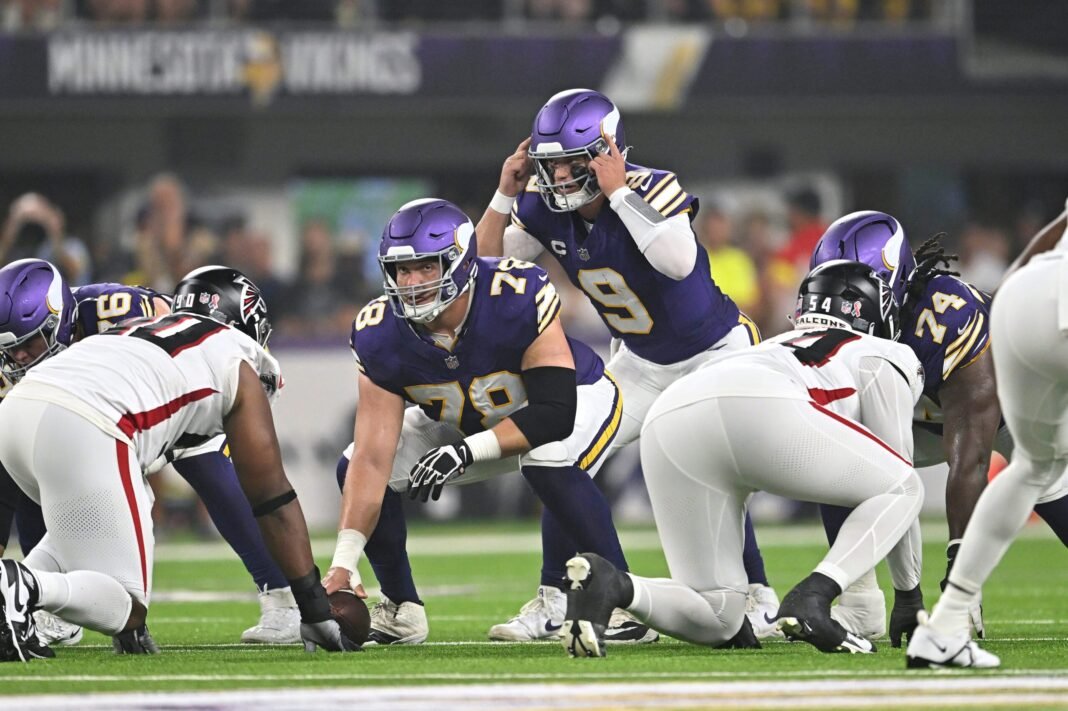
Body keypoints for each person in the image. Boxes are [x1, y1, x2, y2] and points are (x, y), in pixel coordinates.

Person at [476, 88, 779, 639]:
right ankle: (557, 598)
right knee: (556, 451)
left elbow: (677, 261)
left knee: (716, 467)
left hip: (715, 354)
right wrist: (502, 196)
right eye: (550, 164)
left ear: (605, 152)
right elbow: (486, 273)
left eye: (571, 162)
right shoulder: (542, 205)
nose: (558, 176)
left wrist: (618, 194)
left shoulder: (651, 186)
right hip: (639, 363)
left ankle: (757, 592)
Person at [560, 260, 925, 657]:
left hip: (671, 413)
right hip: (762, 404)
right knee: (905, 486)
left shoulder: (776, 343)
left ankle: (615, 585)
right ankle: (814, 596)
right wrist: (909, 595)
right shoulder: (884, 352)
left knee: (720, 615)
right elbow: (897, 471)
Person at [322, 198, 642, 646]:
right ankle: (400, 609)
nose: (411, 283)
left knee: (547, 455)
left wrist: (466, 451)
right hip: (470, 421)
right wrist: (343, 561)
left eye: (426, 267)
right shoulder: (379, 332)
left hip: (576, 398)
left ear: (459, 262)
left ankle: (621, 602)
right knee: (353, 460)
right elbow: (373, 458)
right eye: (401, 270)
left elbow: (554, 413)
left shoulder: (515, 294)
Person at [0, 266, 358, 662]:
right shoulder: (235, 357)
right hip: (87, 422)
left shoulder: (132, 326)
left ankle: (11, 586)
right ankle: (26, 585)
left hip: (15, 413)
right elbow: (272, 498)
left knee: (103, 513)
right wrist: (313, 606)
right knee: (127, 607)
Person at [809, 211, 1011, 643]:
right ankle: (859, 603)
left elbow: (972, 456)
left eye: (857, 288)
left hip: (1015, 415)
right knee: (834, 451)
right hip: (920, 416)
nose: (845, 303)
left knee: (1054, 490)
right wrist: (909, 595)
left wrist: (961, 579)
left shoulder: (948, 319)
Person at [906, 205, 1068, 669]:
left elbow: (1037, 254)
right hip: (1041, 312)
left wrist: (1009, 300)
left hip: (1020, 299)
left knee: (1033, 469)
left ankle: (948, 619)